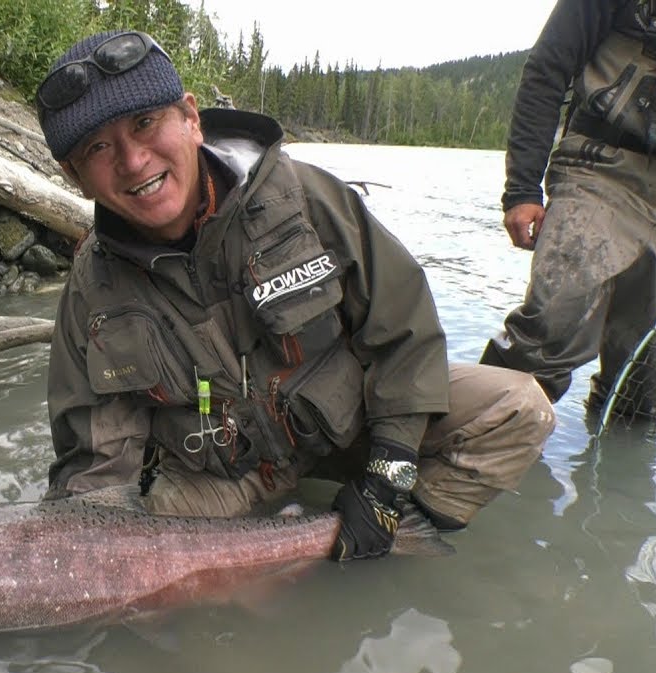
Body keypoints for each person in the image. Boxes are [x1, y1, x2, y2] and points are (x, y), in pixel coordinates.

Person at [36, 29, 556, 561]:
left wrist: (386, 482)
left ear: (191, 118)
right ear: (75, 177)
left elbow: (407, 337)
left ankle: (391, 533)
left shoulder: (305, 198)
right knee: (140, 559)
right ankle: (292, 554)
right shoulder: (91, 291)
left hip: (354, 430)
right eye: (98, 147)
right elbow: (96, 468)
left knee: (518, 408)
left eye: (145, 123)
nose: (133, 160)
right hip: (222, 479)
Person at [480, 0, 656, 416]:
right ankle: (473, 435)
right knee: (548, 332)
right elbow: (547, 68)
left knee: (647, 380)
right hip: (599, 171)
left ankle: (617, 456)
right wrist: (522, 190)